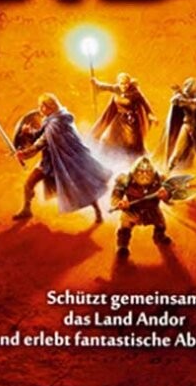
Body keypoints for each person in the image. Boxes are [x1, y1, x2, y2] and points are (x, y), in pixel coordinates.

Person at [13, 93, 110, 223]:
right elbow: (42, 135)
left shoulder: (55, 124)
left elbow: (41, 143)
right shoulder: (57, 118)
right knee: (29, 183)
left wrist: (24, 153)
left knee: (84, 187)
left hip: (64, 162)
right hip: (50, 160)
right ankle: (26, 209)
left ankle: (98, 212)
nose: (39, 109)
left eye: (42, 106)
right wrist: (29, 133)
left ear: (50, 107)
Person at [111, 156, 171, 259]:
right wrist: (119, 203)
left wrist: (166, 195)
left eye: (148, 172)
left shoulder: (160, 179)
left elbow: (170, 195)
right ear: (134, 171)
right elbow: (115, 196)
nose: (144, 175)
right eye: (140, 172)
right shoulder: (124, 179)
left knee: (161, 225)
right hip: (132, 210)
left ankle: (159, 236)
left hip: (152, 209)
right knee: (124, 228)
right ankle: (122, 245)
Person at [90, 72, 157, 162]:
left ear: (129, 83)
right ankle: (105, 161)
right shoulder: (116, 89)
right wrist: (95, 83)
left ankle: (134, 164)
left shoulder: (135, 93)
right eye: (121, 83)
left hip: (131, 123)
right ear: (118, 83)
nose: (124, 86)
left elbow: (145, 103)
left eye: (126, 83)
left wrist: (150, 114)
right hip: (119, 120)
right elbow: (104, 87)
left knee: (131, 145)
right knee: (106, 139)